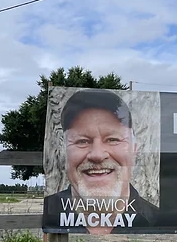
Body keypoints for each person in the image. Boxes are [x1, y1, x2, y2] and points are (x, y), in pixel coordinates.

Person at [44, 88, 158, 234]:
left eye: (112, 140)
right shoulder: (47, 211)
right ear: (64, 152)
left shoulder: (158, 219)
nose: (97, 155)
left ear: (134, 150)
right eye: (82, 141)